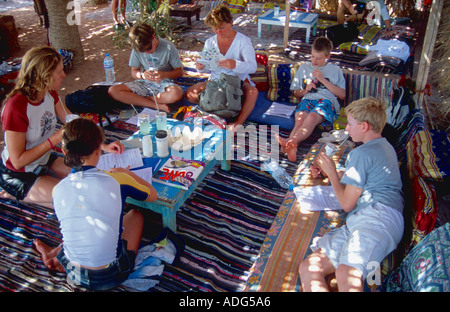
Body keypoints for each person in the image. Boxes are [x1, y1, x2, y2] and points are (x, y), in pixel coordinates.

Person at [33, 117, 157, 291]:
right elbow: (152, 195)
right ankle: (57, 256)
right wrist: (126, 174)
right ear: (99, 150)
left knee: (81, 222)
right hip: (111, 275)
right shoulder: (117, 180)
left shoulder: (58, 189)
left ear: (63, 150)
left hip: (74, 272)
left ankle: (56, 256)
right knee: (135, 215)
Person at [299, 97, 404, 292]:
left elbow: (346, 204)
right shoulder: (383, 146)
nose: (346, 128)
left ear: (364, 126)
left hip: (378, 216)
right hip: (364, 219)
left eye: (349, 123)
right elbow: (358, 179)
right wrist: (331, 173)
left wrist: (331, 172)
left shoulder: (361, 154)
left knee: (345, 273)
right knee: (309, 268)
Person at [0, 46, 124, 208]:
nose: (64, 75)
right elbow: (17, 162)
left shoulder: (48, 93)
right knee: (76, 202)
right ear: (44, 76)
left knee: (96, 179)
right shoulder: (16, 107)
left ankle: (37, 191)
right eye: (59, 72)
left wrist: (103, 145)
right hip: (18, 173)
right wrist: (56, 138)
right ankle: (10, 191)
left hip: (43, 159)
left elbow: (74, 123)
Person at [185, 5, 258, 129]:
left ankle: (237, 122)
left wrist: (235, 64)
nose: (219, 32)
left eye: (222, 28)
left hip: (237, 81)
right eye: (215, 29)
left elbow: (253, 67)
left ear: (231, 22)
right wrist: (201, 67)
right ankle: (220, 109)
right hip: (216, 82)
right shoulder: (210, 42)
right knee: (190, 93)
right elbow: (208, 67)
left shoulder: (243, 41)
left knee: (253, 92)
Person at [280, 36, 345, 162]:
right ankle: (292, 147)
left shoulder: (335, 70)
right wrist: (305, 90)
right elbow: (295, 92)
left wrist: (322, 80)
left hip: (326, 101)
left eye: (319, 58)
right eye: (313, 56)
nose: (314, 61)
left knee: (312, 117)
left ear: (328, 56)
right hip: (308, 99)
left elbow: (342, 95)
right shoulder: (304, 67)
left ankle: (289, 141)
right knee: (300, 120)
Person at [108, 22, 184, 113]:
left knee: (176, 94)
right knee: (113, 90)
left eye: (148, 48)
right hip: (144, 83)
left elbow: (179, 72)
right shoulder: (137, 48)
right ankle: (155, 105)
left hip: (165, 84)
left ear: (153, 37)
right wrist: (142, 75)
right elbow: (134, 71)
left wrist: (163, 74)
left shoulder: (168, 47)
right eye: (142, 51)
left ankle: (139, 100)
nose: (147, 53)